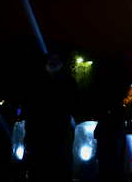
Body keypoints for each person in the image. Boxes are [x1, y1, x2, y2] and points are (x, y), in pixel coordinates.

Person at [23, 52, 78, 182]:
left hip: (45, 135)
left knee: (42, 169)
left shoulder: (38, 82)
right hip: (55, 135)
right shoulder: (67, 82)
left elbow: (31, 109)